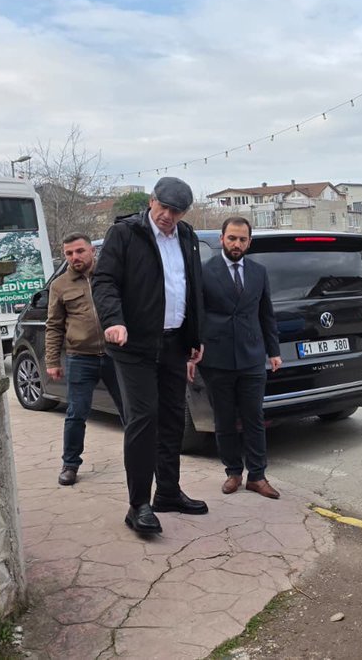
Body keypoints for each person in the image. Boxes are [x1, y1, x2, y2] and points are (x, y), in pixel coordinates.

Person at [93, 176, 208, 535]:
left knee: (174, 418)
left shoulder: (187, 237)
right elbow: (104, 281)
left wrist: (195, 336)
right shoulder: (126, 234)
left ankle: (169, 492)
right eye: (165, 208)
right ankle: (138, 504)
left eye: (177, 211)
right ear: (152, 202)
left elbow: (192, 288)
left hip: (174, 343)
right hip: (134, 345)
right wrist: (114, 320)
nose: (169, 216)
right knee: (144, 419)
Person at [193, 216, 283, 499]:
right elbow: (195, 316)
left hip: (252, 356)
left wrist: (274, 351)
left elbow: (266, 314)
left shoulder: (259, 272)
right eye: (232, 238)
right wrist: (192, 349)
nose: (237, 244)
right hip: (216, 359)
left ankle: (257, 475)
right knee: (225, 419)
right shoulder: (205, 272)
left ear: (249, 242)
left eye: (242, 239)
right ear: (222, 239)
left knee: (254, 417)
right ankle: (233, 472)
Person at [45, 232, 123, 486]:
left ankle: (146, 457)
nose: (75, 257)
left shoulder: (110, 276)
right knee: (76, 414)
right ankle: (70, 465)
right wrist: (52, 361)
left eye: (80, 251)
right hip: (81, 358)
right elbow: (54, 325)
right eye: (69, 253)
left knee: (131, 411)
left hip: (117, 355)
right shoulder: (60, 285)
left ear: (92, 251)